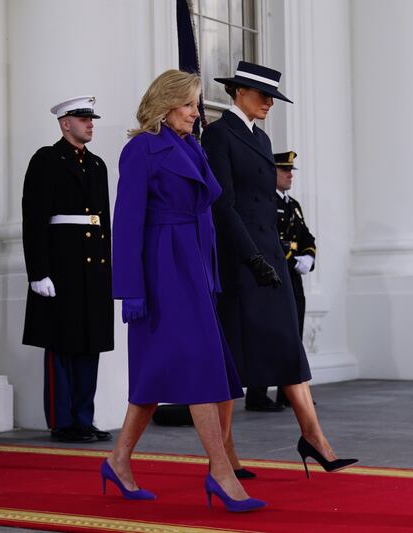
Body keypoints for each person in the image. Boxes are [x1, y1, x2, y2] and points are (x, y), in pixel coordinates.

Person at [105, 70, 265, 512]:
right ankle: (220, 472)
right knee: (201, 371)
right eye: (190, 104)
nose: (197, 113)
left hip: (192, 267)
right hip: (162, 269)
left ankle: (118, 460)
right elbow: (127, 222)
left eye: (197, 105)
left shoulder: (190, 146)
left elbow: (206, 214)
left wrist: (210, 274)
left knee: (161, 375)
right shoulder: (140, 149)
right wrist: (130, 290)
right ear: (166, 104)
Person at [201, 60, 357, 477]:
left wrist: (268, 255)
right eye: (261, 94)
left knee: (289, 344)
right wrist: (251, 256)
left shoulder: (260, 135)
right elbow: (223, 203)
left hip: (271, 257)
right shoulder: (218, 134)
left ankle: (314, 437)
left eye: (272, 96)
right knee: (232, 357)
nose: (269, 102)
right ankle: (225, 455)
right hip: (242, 260)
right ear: (237, 93)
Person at [21, 96, 114, 444]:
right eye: (82, 118)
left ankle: (84, 418)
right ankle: (62, 421)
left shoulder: (98, 165)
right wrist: (38, 272)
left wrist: (110, 271)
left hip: (92, 270)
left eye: (92, 118)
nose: (90, 124)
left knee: (89, 345)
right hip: (62, 268)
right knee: (61, 346)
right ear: (64, 123)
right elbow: (34, 219)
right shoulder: (47, 159)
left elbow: (103, 222)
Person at [246, 150, 317, 408]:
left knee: (293, 332)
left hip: (294, 276)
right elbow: (267, 239)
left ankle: (289, 392)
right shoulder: (265, 202)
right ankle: (257, 393)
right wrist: (290, 257)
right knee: (267, 332)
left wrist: (308, 257)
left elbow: (306, 237)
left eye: (291, 171)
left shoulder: (293, 205)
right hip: (273, 273)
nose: (290, 175)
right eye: (284, 170)